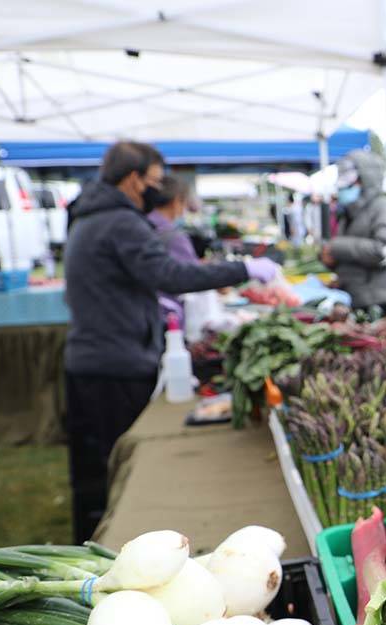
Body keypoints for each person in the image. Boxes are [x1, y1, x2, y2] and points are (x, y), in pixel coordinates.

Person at [64, 141, 281, 543]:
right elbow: (172, 274)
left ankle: (91, 538)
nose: (159, 189)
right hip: (115, 363)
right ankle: (111, 546)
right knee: (117, 468)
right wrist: (243, 268)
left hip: (94, 357)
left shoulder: (88, 218)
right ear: (133, 180)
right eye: (154, 180)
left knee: (95, 472)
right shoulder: (119, 222)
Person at [320, 150, 386, 315]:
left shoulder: (382, 207)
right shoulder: (349, 212)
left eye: (352, 183)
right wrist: (329, 259)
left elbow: (385, 250)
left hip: (377, 299)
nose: (344, 189)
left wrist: (335, 247)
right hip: (354, 297)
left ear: (365, 181)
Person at [147, 174, 198, 327]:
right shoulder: (173, 236)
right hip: (167, 319)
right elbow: (193, 276)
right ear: (176, 201)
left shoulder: (138, 226)